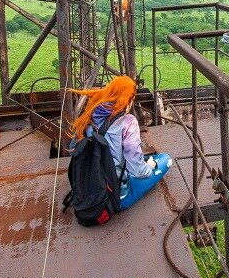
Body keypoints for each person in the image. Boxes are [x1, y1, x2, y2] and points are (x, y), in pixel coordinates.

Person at [70, 75, 171, 211]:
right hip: (115, 195)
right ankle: (126, 192)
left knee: (139, 159)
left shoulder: (90, 112)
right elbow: (137, 170)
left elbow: (73, 147)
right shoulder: (128, 122)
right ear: (128, 99)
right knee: (165, 159)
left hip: (90, 182)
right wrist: (150, 167)